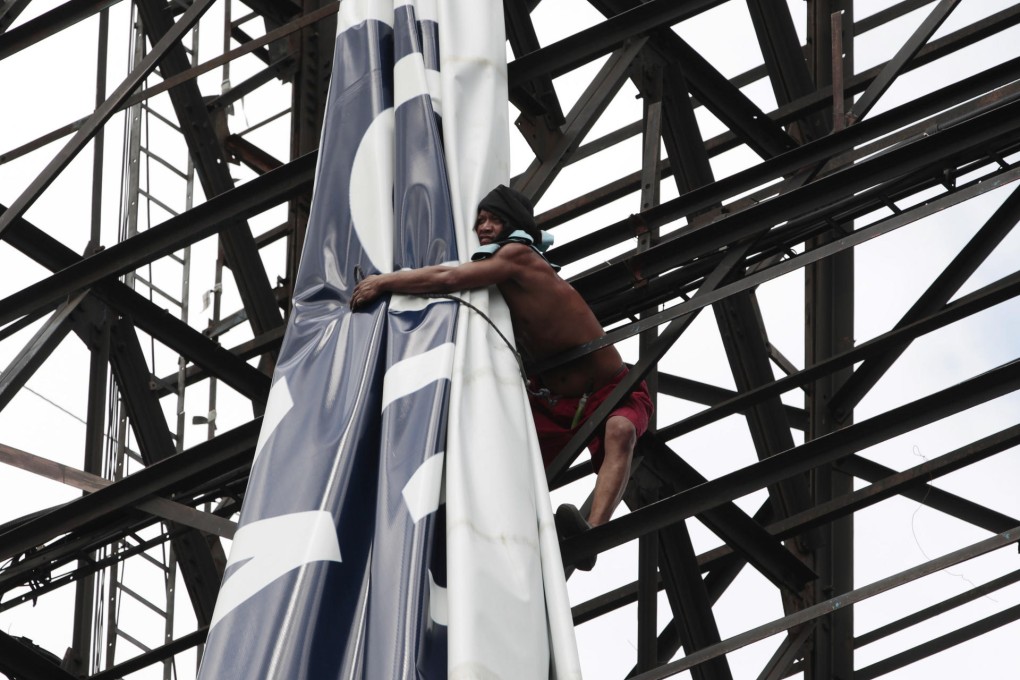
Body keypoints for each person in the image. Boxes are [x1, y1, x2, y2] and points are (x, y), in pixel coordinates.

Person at [351, 185, 653, 542]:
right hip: (553, 404)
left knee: (620, 431)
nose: (484, 227)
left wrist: (385, 282)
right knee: (503, 460)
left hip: (608, 391)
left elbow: (449, 278)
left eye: (494, 219)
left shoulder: (518, 255)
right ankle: (501, 539)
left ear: (513, 225)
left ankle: (594, 534)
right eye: (480, 220)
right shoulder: (499, 278)